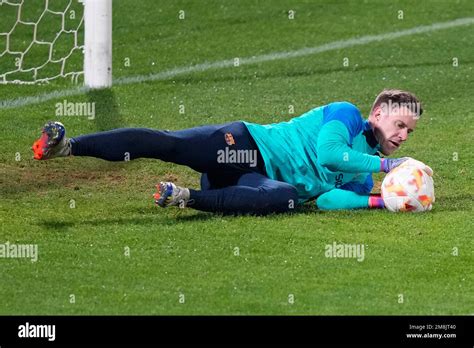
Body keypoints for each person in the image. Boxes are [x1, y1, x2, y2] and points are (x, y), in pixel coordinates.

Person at [32, 89, 432, 215]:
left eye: (409, 132)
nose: (402, 136)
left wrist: (384, 201)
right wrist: (388, 165)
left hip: (256, 182)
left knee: (289, 197)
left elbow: (327, 199)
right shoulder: (344, 116)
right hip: (245, 147)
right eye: (399, 125)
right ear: (377, 113)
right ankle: (68, 146)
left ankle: (185, 197)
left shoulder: (363, 174)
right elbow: (329, 154)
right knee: (171, 144)